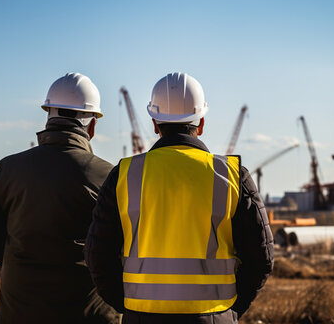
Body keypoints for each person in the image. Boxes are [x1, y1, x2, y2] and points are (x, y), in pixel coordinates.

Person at [84, 72, 274, 323]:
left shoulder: (125, 174)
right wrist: (231, 310)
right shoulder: (232, 176)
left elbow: (98, 255)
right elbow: (261, 257)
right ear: (201, 123)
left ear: (154, 123)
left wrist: (126, 305)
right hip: (213, 317)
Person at [0, 73, 120, 324]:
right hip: (89, 317)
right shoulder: (107, 176)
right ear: (92, 126)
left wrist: (21, 264)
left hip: (20, 315)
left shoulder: (8, 170)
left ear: (48, 115)